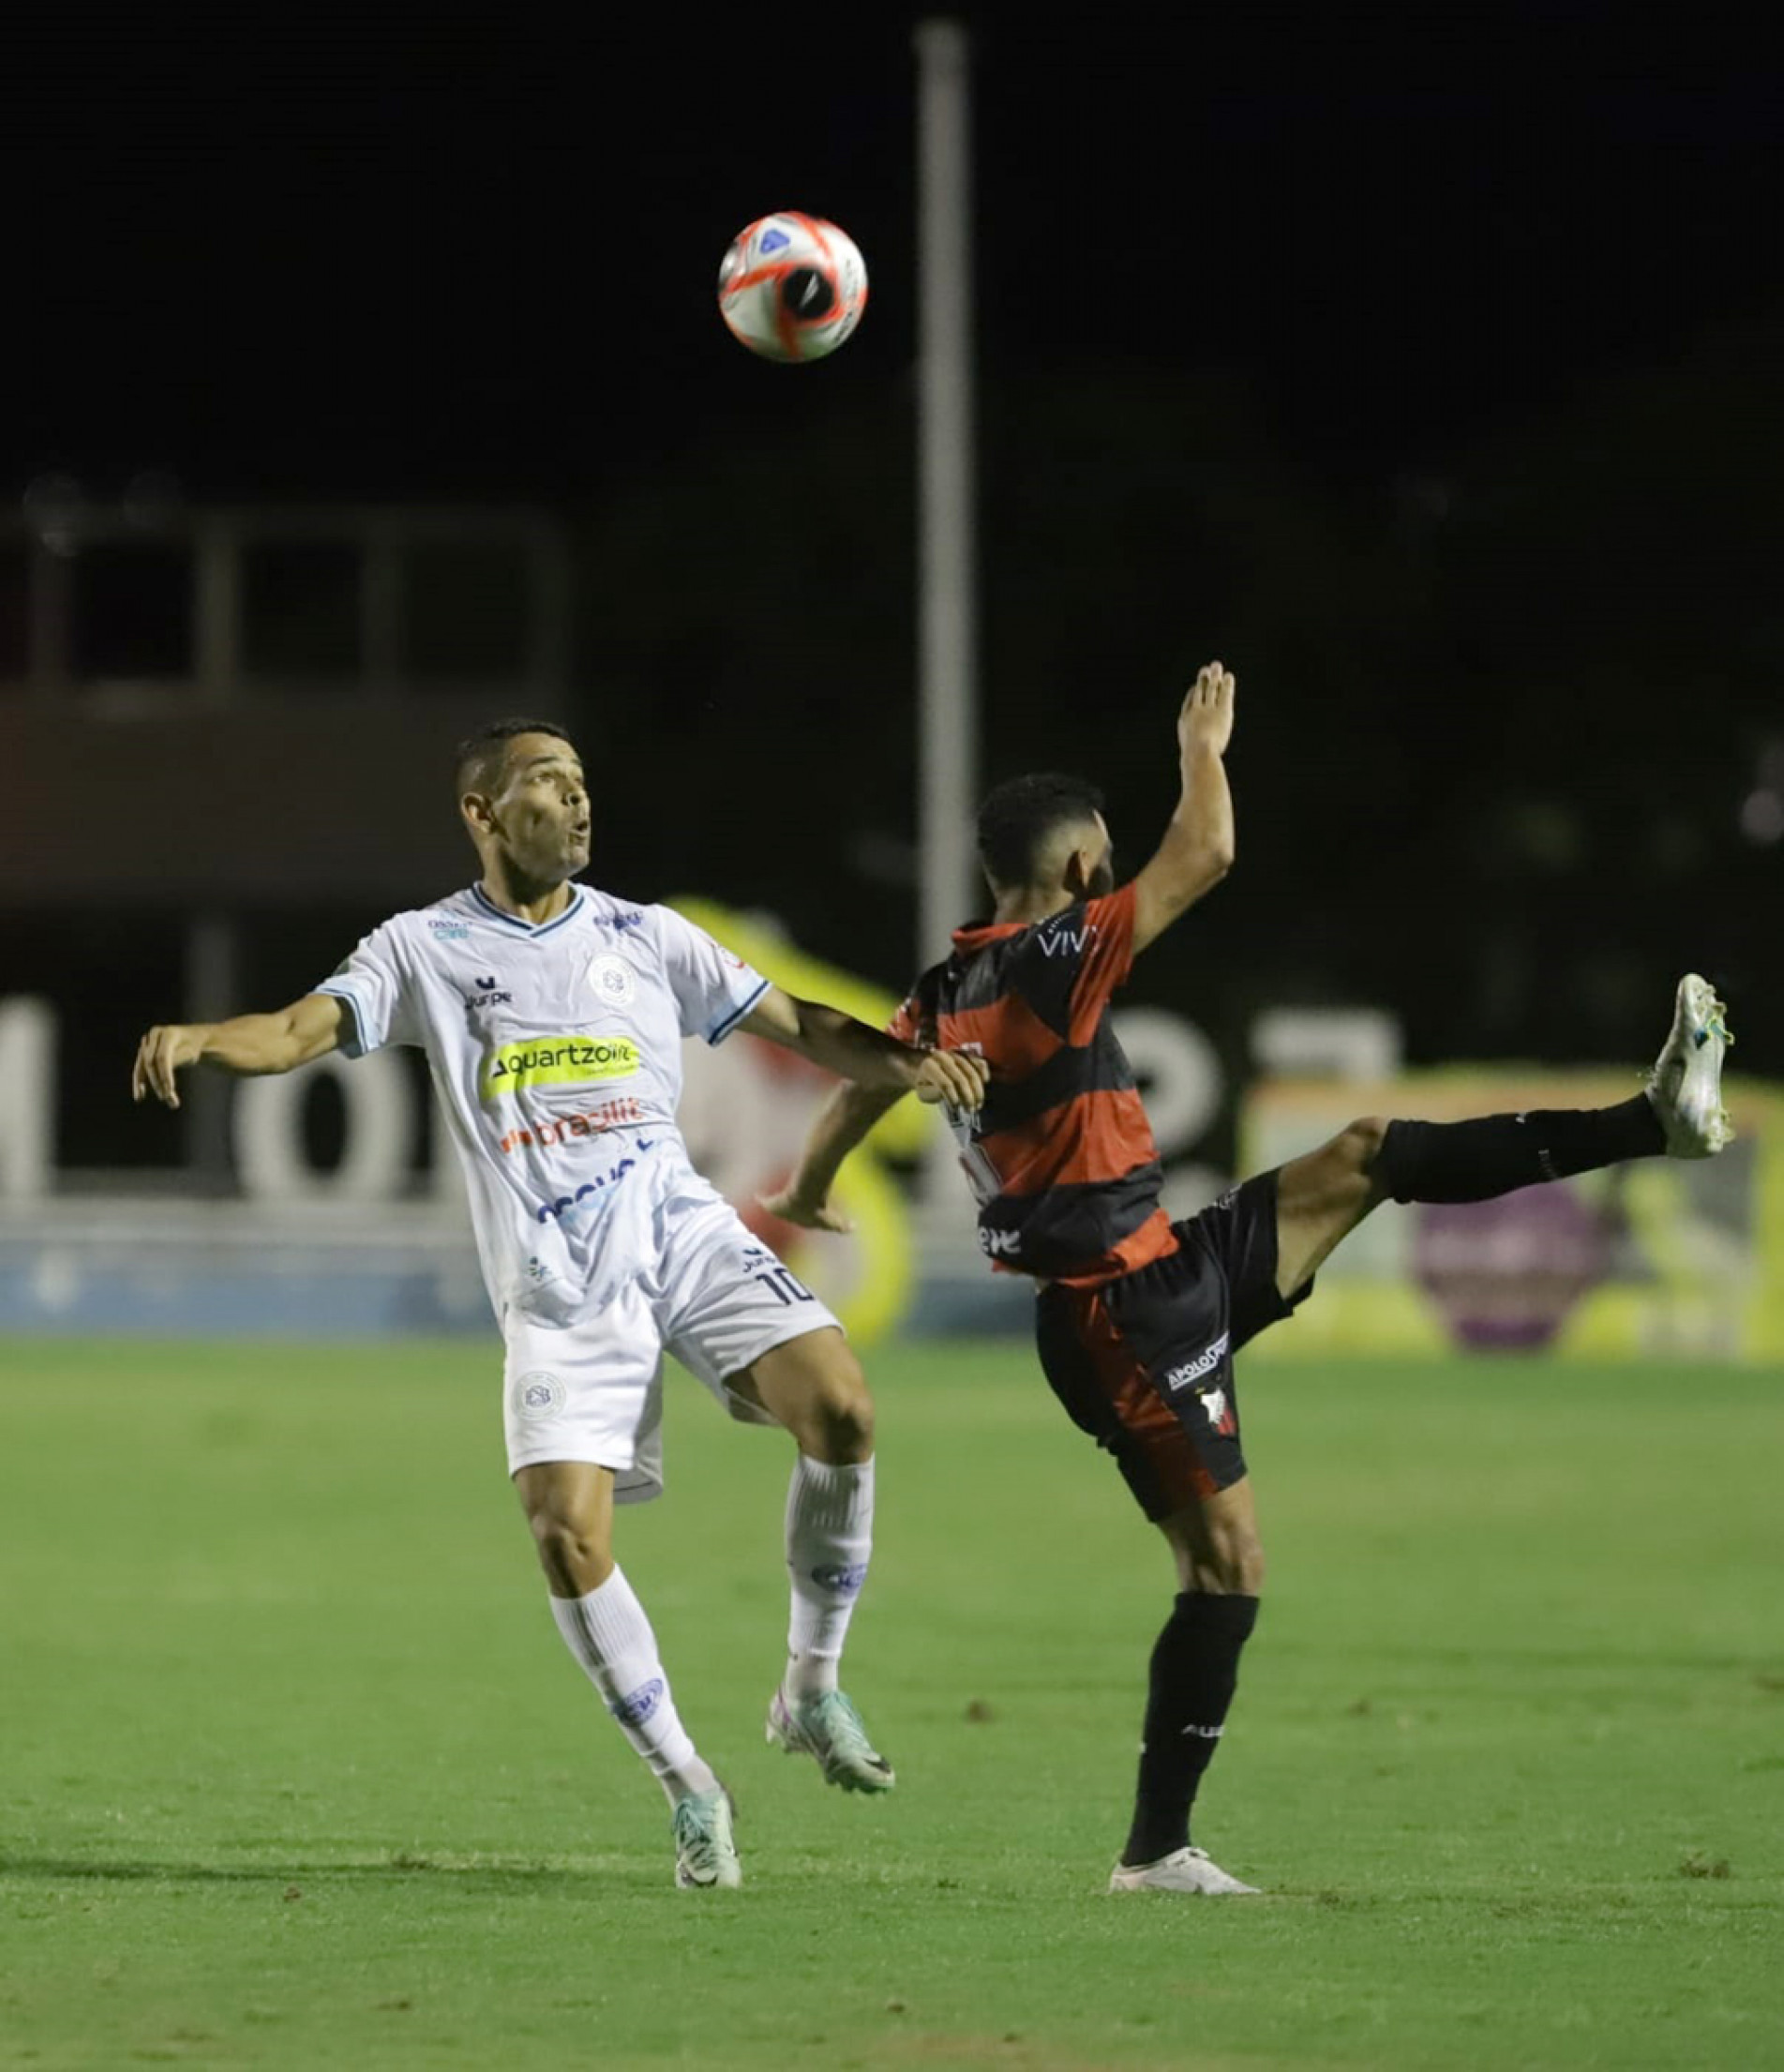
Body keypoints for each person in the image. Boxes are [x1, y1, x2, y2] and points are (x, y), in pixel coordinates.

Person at [764, 660, 1734, 1897]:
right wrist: (1201, 750)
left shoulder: (942, 989)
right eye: (1105, 858)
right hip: (1118, 1315)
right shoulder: (1055, 954)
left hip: (1167, 1265)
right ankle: (1154, 1852)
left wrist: (808, 1183)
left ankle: (1651, 1121)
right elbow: (1206, 852)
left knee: (1366, 1154)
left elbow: (865, 1080)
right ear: (1082, 870)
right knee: (1226, 1563)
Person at [131, 717, 989, 1892]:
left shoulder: (648, 935)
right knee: (566, 1532)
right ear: (482, 812)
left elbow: (799, 1022)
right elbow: (291, 1033)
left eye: (582, 780)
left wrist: (909, 1062)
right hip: (559, 1280)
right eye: (547, 782)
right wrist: (200, 1037)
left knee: (841, 1406)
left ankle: (810, 1682)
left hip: (681, 1231)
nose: (577, 800)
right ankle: (690, 1785)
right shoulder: (423, 947)